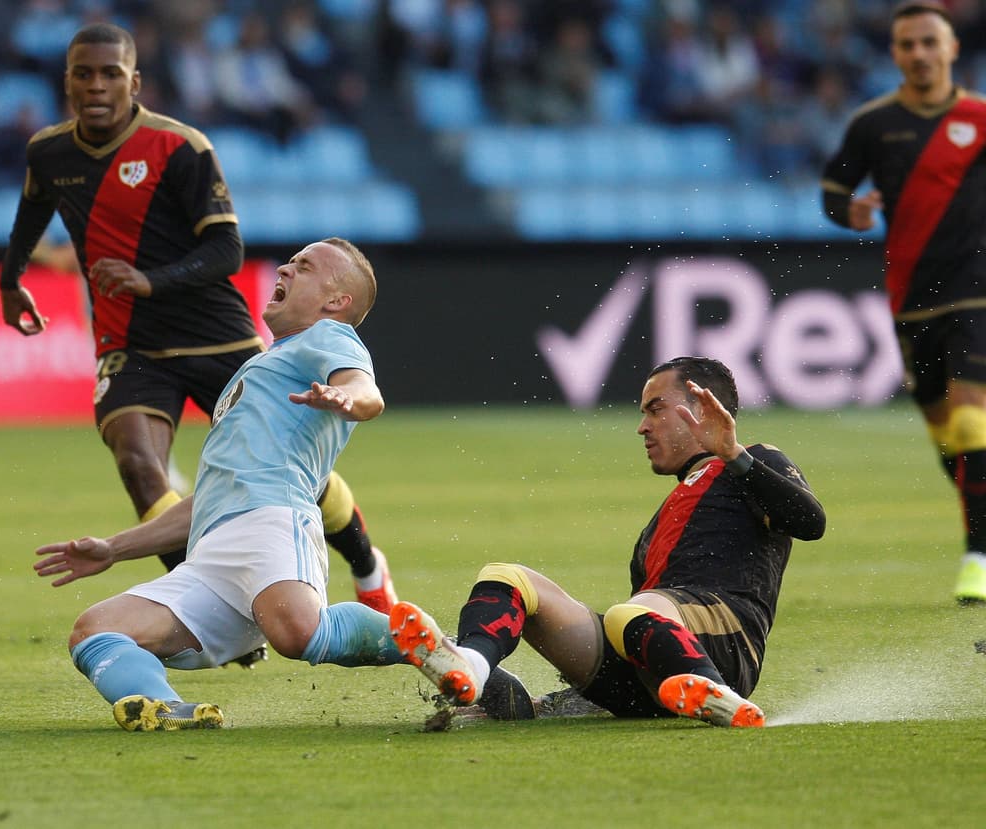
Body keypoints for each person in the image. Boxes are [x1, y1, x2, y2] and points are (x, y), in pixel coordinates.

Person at [0, 22, 396, 621]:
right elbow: (33, 211)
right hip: (127, 342)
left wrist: (150, 280)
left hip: (215, 333)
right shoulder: (48, 152)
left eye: (110, 74)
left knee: (288, 469)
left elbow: (226, 251)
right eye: (84, 73)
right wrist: (11, 280)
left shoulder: (179, 148)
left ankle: (366, 564)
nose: (96, 85)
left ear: (134, 82)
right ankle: (199, 599)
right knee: (138, 464)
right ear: (68, 82)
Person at [33, 238, 407, 731]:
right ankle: (163, 706)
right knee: (94, 630)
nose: (287, 270)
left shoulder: (327, 337)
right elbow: (206, 502)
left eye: (305, 267)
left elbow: (367, 390)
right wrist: (112, 549)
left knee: (298, 633)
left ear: (336, 302)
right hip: (213, 556)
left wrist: (346, 396)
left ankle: (419, 641)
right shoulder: (259, 368)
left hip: (273, 523)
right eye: (289, 263)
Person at [389, 357, 826, 728]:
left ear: (703, 410)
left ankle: (717, 695)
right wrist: (557, 706)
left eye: (656, 410)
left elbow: (810, 522)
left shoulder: (755, 461)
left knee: (630, 612)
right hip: (653, 663)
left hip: (727, 646)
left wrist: (735, 455)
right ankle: (474, 666)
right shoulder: (662, 522)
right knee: (506, 577)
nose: (642, 427)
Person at [820, 1, 986, 604]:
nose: (918, 54)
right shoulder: (872, 124)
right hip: (912, 297)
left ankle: (979, 555)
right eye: (907, 45)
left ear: (951, 49)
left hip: (977, 288)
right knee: (950, 437)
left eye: (928, 43)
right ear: (894, 53)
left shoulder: (979, 119)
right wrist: (850, 211)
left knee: (973, 418)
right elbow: (833, 191)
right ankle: (981, 524)